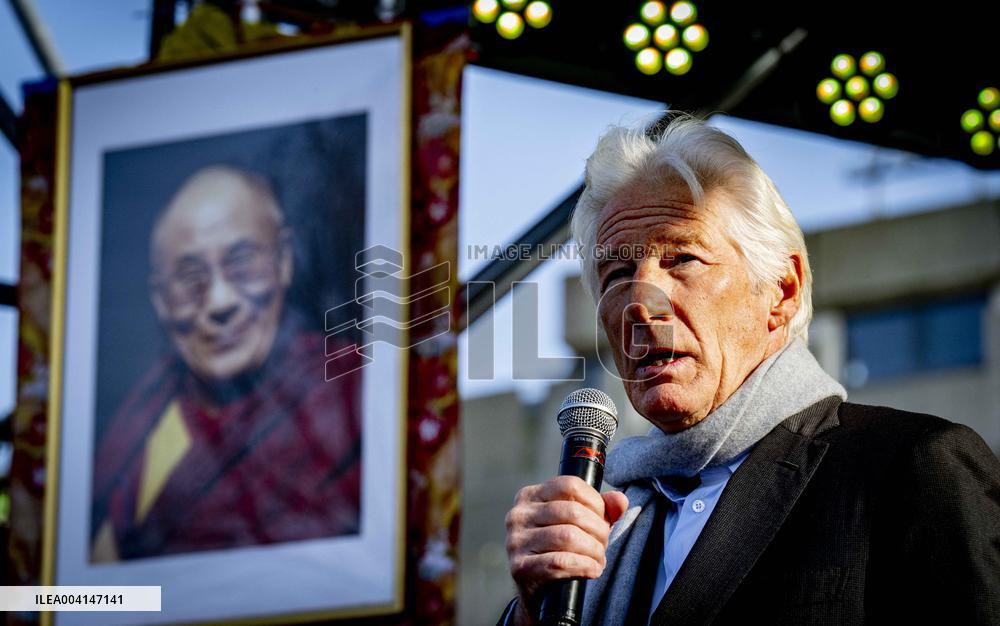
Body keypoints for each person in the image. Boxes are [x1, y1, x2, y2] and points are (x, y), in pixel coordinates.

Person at [499, 112, 1000, 625]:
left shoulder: (912, 466)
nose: (639, 303)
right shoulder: (598, 527)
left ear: (781, 290)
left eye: (682, 259)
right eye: (618, 273)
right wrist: (531, 614)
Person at [90, 165, 362, 561]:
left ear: (284, 261)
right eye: (189, 279)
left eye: (243, 264)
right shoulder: (137, 431)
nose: (220, 302)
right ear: (160, 301)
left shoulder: (351, 390)